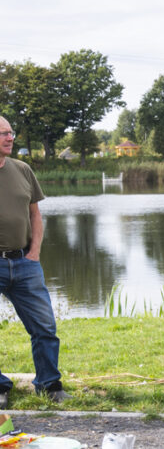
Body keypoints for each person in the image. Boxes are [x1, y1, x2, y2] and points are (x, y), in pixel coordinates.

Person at [0, 116, 71, 410]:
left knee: (44, 326)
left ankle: (49, 385)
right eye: (3, 133)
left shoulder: (22, 169)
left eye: (11, 132)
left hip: (25, 262)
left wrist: (35, 252)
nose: (10, 137)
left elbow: (35, 215)